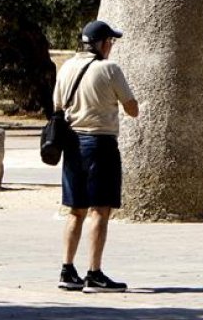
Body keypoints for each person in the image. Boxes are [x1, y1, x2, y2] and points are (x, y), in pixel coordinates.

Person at [54, 20, 138, 293]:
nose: (111, 46)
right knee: (100, 210)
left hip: (72, 144)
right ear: (101, 44)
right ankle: (95, 274)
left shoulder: (67, 67)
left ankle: (67, 270)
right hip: (100, 144)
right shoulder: (109, 69)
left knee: (75, 210)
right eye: (110, 42)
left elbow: (56, 104)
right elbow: (132, 109)